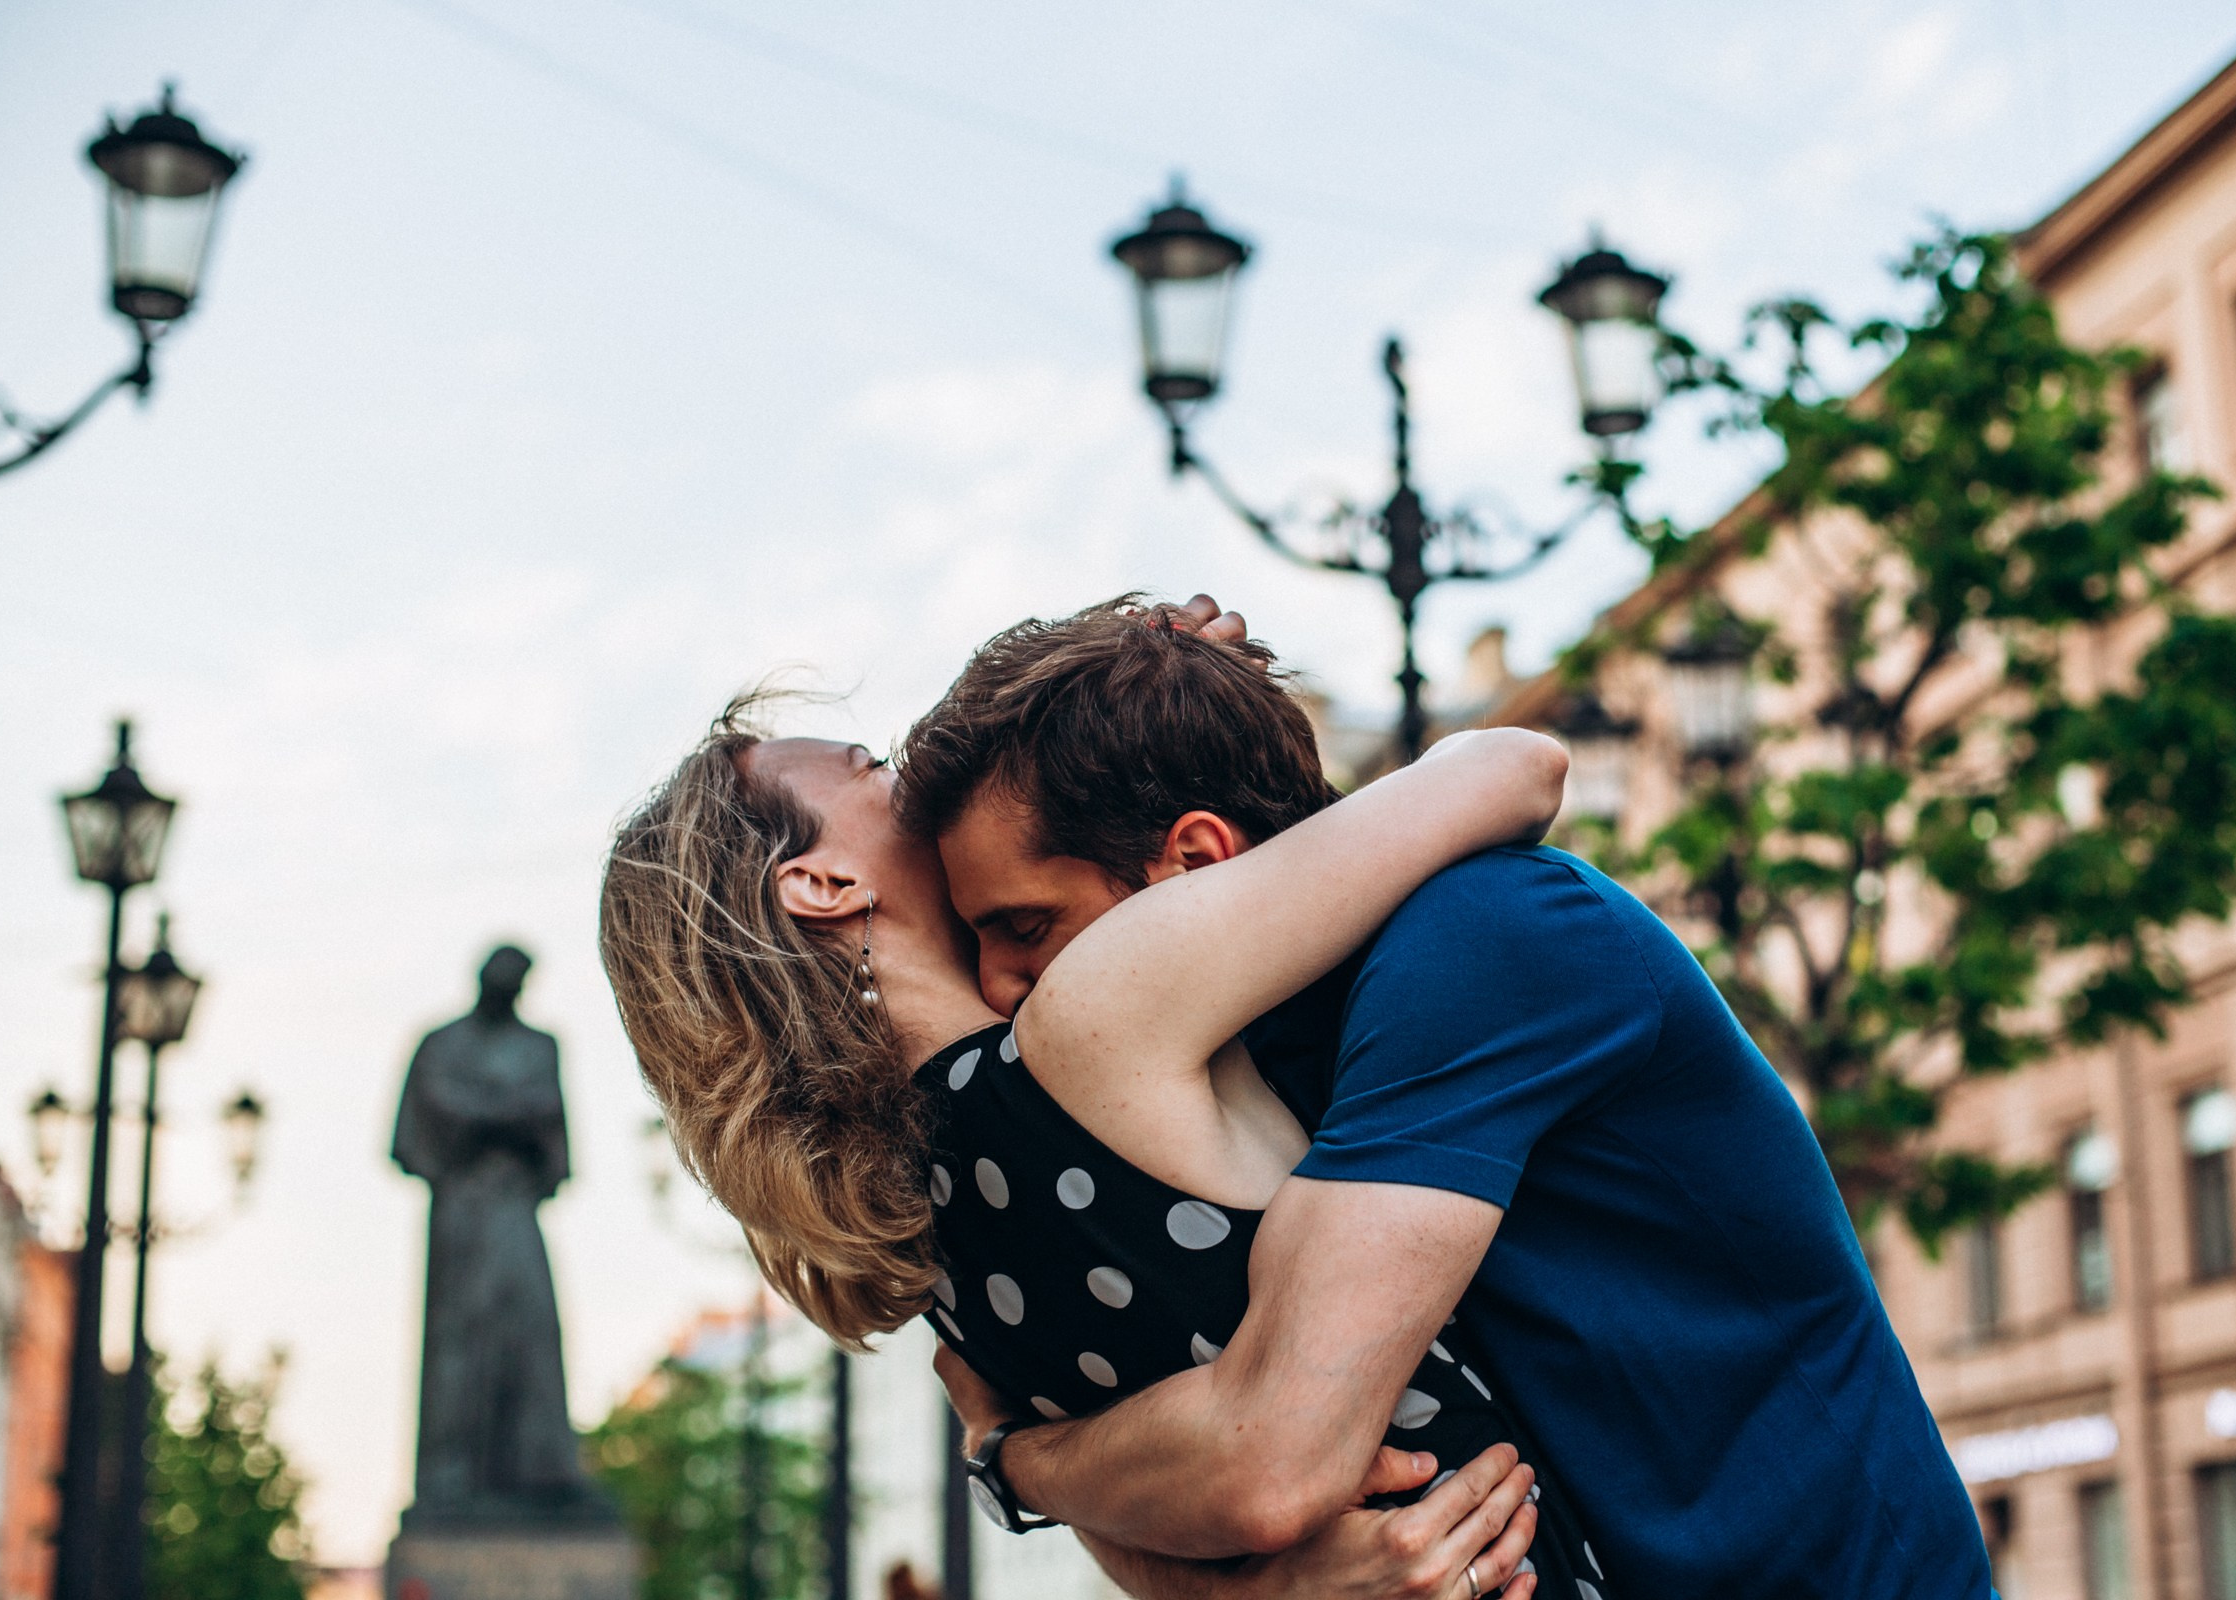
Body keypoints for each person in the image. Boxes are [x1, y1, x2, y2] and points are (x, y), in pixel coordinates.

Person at [894, 597, 1994, 1599]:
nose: (1000, 989)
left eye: (1025, 927)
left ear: (1193, 856)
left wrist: (1013, 1452)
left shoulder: (1483, 941)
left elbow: (1268, 1452)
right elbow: (1203, 1499)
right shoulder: (1237, 1067)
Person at [599, 631, 1581, 1599]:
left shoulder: (935, 1248)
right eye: (876, 770)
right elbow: (1513, 769)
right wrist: (1145, 694)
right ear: (823, 884)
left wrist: (1146, 687)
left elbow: (1147, 1515)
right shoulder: (1095, 1011)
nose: (913, 778)